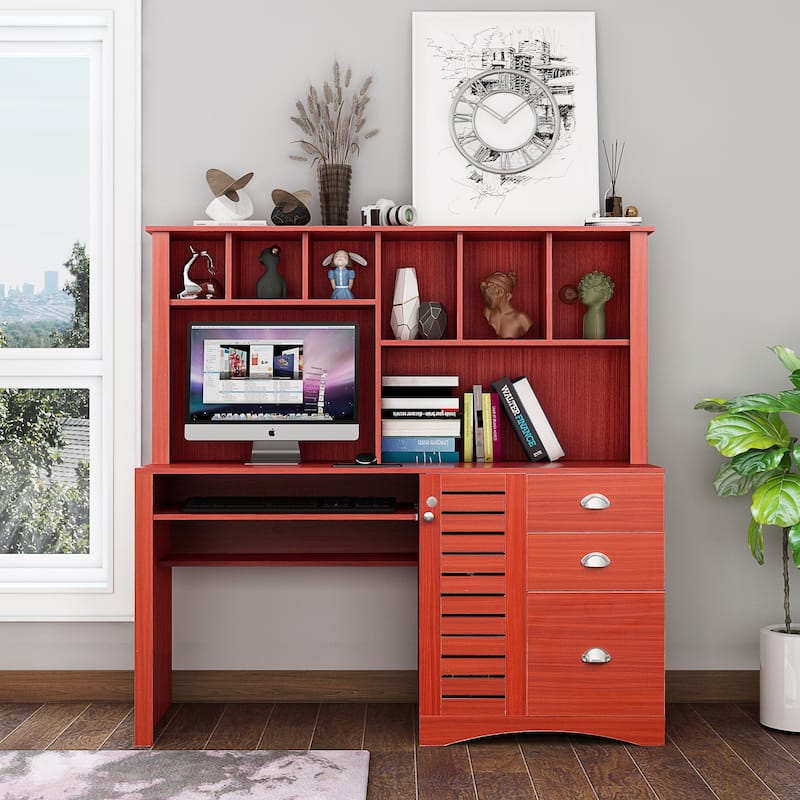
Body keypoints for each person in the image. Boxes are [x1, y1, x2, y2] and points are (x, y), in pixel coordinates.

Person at [479, 271, 533, 339]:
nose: (485, 298)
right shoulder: (488, 312)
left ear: (501, 292)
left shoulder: (521, 319)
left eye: (489, 293)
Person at [577, 270, 615, 339]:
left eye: (589, 286)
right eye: (583, 286)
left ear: (605, 293)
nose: (583, 289)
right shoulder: (587, 315)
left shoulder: (597, 316)